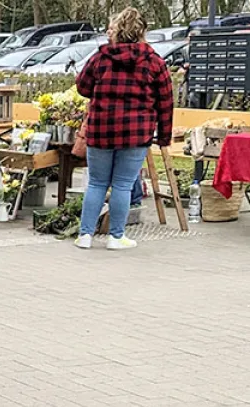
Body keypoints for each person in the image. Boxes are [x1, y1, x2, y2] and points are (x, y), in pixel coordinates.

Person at [74, 7, 173, 251]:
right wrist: (164, 137)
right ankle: (116, 237)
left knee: (96, 183)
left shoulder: (101, 58)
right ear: (142, 32)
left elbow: (82, 87)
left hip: (100, 130)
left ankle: (85, 235)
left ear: (117, 30)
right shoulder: (154, 62)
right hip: (136, 133)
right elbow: (166, 102)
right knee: (122, 185)